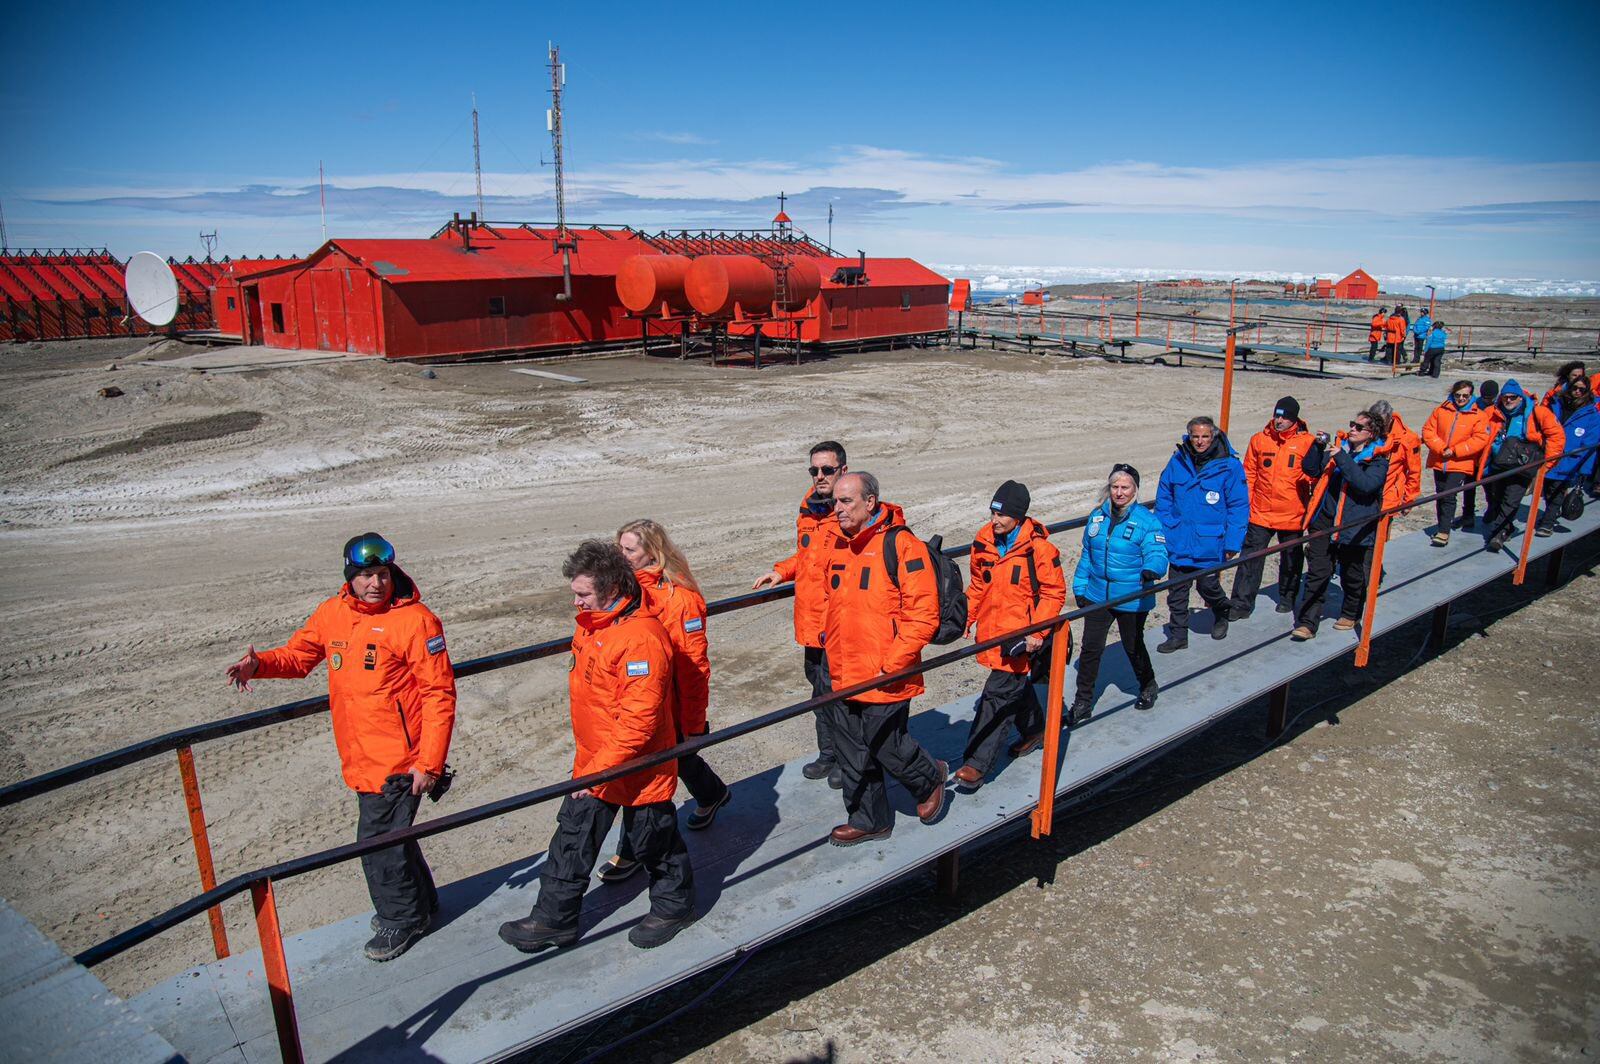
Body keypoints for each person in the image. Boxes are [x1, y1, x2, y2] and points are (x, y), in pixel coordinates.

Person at [226, 533, 456, 963]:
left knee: (376, 843)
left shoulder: (417, 621)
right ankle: (420, 905)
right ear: (350, 578)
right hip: (359, 754)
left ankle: (401, 920)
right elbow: (299, 656)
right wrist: (259, 665)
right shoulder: (333, 614)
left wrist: (429, 764)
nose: (375, 584)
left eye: (383, 574)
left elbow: (439, 695)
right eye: (366, 575)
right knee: (392, 838)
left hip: (399, 763)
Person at [498, 541, 694, 953]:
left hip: (639, 765)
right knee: (572, 838)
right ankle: (553, 920)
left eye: (583, 593)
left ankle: (674, 906)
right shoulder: (593, 624)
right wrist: (591, 765)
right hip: (595, 760)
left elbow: (639, 721)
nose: (576, 600)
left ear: (612, 590)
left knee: (653, 842)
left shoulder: (640, 638)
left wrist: (597, 769)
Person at [596, 519, 729, 884]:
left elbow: (694, 667)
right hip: (639, 702)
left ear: (652, 553)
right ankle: (713, 793)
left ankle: (632, 853)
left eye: (629, 550)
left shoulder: (679, 599)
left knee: (641, 777)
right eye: (619, 548)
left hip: (665, 706)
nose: (620, 556)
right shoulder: (624, 594)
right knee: (677, 760)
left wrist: (693, 723)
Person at [821, 472, 948, 845]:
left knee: (885, 744)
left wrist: (894, 663)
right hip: (843, 667)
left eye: (846, 501)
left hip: (883, 668)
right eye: (836, 502)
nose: (838, 509)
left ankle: (928, 779)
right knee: (851, 750)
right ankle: (869, 818)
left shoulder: (902, 545)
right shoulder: (839, 543)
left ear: (871, 502)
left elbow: (924, 614)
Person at [955, 480, 1066, 790]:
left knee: (997, 695)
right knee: (1013, 685)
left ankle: (976, 764)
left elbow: (1054, 592)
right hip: (992, 630)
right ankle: (1034, 730)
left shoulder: (1039, 549)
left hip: (1020, 635)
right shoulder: (983, 541)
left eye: (1001, 515)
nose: (995, 520)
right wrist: (966, 618)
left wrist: (1037, 631)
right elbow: (978, 585)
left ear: (1018, 516)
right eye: (992, 513)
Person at [753, 441, 848, 789]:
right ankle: (828, 754)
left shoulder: (850, 512)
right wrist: (782, 571)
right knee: (819, 693)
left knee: (840, 695)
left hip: (838, 625)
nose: (820, 476)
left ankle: (847, 758)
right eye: (814, 470)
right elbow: (806, 556)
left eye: (827, 469)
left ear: (843, 471)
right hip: (811, 623)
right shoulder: (808, 511)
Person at [1071, 465, 1167, 722]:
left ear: (1135, 490)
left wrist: (1152, 570)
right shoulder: (1097, 518)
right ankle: (1083, 702)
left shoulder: (1147, 521)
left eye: (1125, 487)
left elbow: (1157, 552)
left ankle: (1147, 684)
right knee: (1090, 649)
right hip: (1097, 594)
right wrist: (1080, 588)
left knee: (1133, 645)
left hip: (1131, 596)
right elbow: (1087, 556)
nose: (1119, 492)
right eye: (1115, 487)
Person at [1291, 412, 1388, 640]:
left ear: (1371, 434)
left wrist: (1342, 457)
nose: (1352, 429)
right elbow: (1311, 471)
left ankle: (1351, 612)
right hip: (1325, 521)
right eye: (1352, 424)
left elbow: (1365, 485)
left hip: (1354, 525)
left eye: (1359, 427)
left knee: (1352, 573)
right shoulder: (1338, 450)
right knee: (1317, 572)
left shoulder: (1378, 460)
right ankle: (1307, 622)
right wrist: (1317, 448)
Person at [1154, 415, 1248, 652]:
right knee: (1176, 593)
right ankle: (1178, 636)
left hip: (1210, 541)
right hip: (1179, 539)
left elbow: (1238, 506)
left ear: (1213, 436)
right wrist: (1165, 526)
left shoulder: (1229, 466)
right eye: (1195, 436)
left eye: (1205, 436)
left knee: (1208, 586)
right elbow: (1164, 496)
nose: (1200, 441)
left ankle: (1222, 610)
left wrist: (1233, 542)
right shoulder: (1178, 461)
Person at [1228, 397, 1315, 619]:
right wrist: (1246, 505)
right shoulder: (1259, 440)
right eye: (1277, 415)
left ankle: (1287, 596)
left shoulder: (1307, 442)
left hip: (1292, 513)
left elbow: (1314, 473)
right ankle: (1241, 604)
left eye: (1284, 416)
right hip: (1261, 512)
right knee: (1250, 559)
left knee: (1291, 559)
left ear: (1294, 418)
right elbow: (1249, 473)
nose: (1279, 420)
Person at [1479, 379, 1565, 553]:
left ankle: (1498, 533)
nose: (1508, 401)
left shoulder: (1537, 413)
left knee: (1511, 500)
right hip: (1498, 463)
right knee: (1496, 497)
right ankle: (1506, 527)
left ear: (1520, 397)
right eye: (1505, 398)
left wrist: (1546, 466)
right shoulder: (1492, 412)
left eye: (1512, 397)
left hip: (1521, 466)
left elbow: (1557, 437)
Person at [1421, 380, 1493, 546]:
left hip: (1461, 462)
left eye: (1465, 396)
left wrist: (1455, 450)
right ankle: (1443, 525)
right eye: (1458, 395)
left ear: (1471, 395)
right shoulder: (1441, 410)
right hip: (1440, 459)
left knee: (1449, 494)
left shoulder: (1478, 416)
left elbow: (1480, 439)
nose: (1461, 399)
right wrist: (1442, 448)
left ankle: (1444, 531)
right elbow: (1428, 430)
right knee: (1440, 494)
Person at [1536, 374, 1599, 536]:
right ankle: (1551, 514)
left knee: (1558, 489)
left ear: (1587, 391)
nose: (1577, 392)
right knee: (1547, 489)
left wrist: (1584, 469)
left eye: (1581, 389)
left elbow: (1590, 443)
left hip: (1570, 459)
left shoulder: (1591, 413)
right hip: (1549, 453)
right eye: (1574, 388)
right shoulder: (1557, 404)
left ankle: (1547, 523)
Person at [1366, 399, 1422, 511]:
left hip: (1387, 497)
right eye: (1374, 424)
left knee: (1382, 528)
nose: (1378, 428)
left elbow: (1414, 472)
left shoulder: (1408, 439)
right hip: (1364, 494)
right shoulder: (1366, 431)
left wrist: (1409, 500)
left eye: (1381, 424)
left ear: (1390, 420)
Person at [1459, 379, 1500, 529]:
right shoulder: (1474, 405)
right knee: (1469, 486)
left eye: (1490, 398)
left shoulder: (1499, 408)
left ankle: (1492, 508)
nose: (1487, 400)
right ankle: (1468, 515)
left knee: (1489, 485)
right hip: (1473, 452)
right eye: (1485, 397)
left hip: (1489, 454)